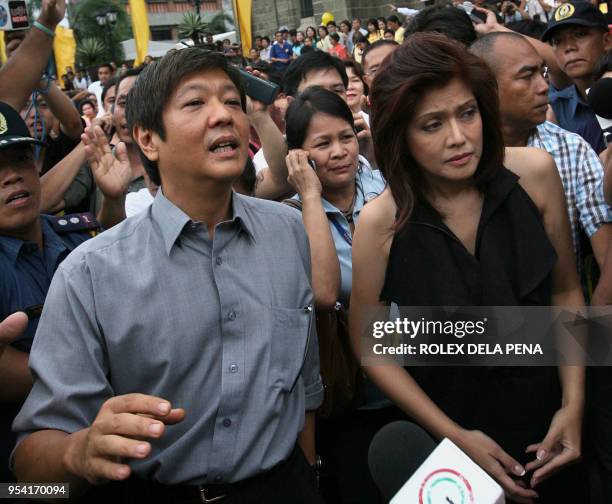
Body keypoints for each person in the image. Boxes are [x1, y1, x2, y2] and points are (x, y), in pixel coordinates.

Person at [13, 48, 323, 504]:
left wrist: (307, 474)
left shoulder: (288, 232)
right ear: (148, 139)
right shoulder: (89, 273)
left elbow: (304, 387)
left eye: (233, 102)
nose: (224, 116)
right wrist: (78, 452)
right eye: (196, 103)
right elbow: (26, 471)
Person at [352, 33, 586, 503]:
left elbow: (565, 294)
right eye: (431, 124)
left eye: (467, 113)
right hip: (456, 447)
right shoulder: (380, 223)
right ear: (400, 134)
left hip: (557, 422)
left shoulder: (536, 174)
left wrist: (574, 406)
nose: (458, 138)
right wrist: (455, 436)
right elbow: (369, 343)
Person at [284, 87, 399, 504]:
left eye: (346, 137)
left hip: (422, 376)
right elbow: (322, 291)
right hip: (351, 398)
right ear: (298, 155)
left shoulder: (391, 188)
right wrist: (311, 197)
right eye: (323, 143)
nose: (339, 152)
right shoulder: (291, 217)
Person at [0, 102, 94, 483]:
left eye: (21, 159)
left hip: (111, 466)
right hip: (20, 482)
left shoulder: (80, 236)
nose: (11, 178)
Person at [470, 32, 611, 280]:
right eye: (527, 76)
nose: (543, 86)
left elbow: (605, 250)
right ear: (486, 86)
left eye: (543, 73)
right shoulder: (460, 157)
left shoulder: (571, 149)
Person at [541, 1, 611, 154]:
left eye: (580, 34)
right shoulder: (552, 110)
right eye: (557, 41)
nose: (569, 47)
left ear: (607, 41)